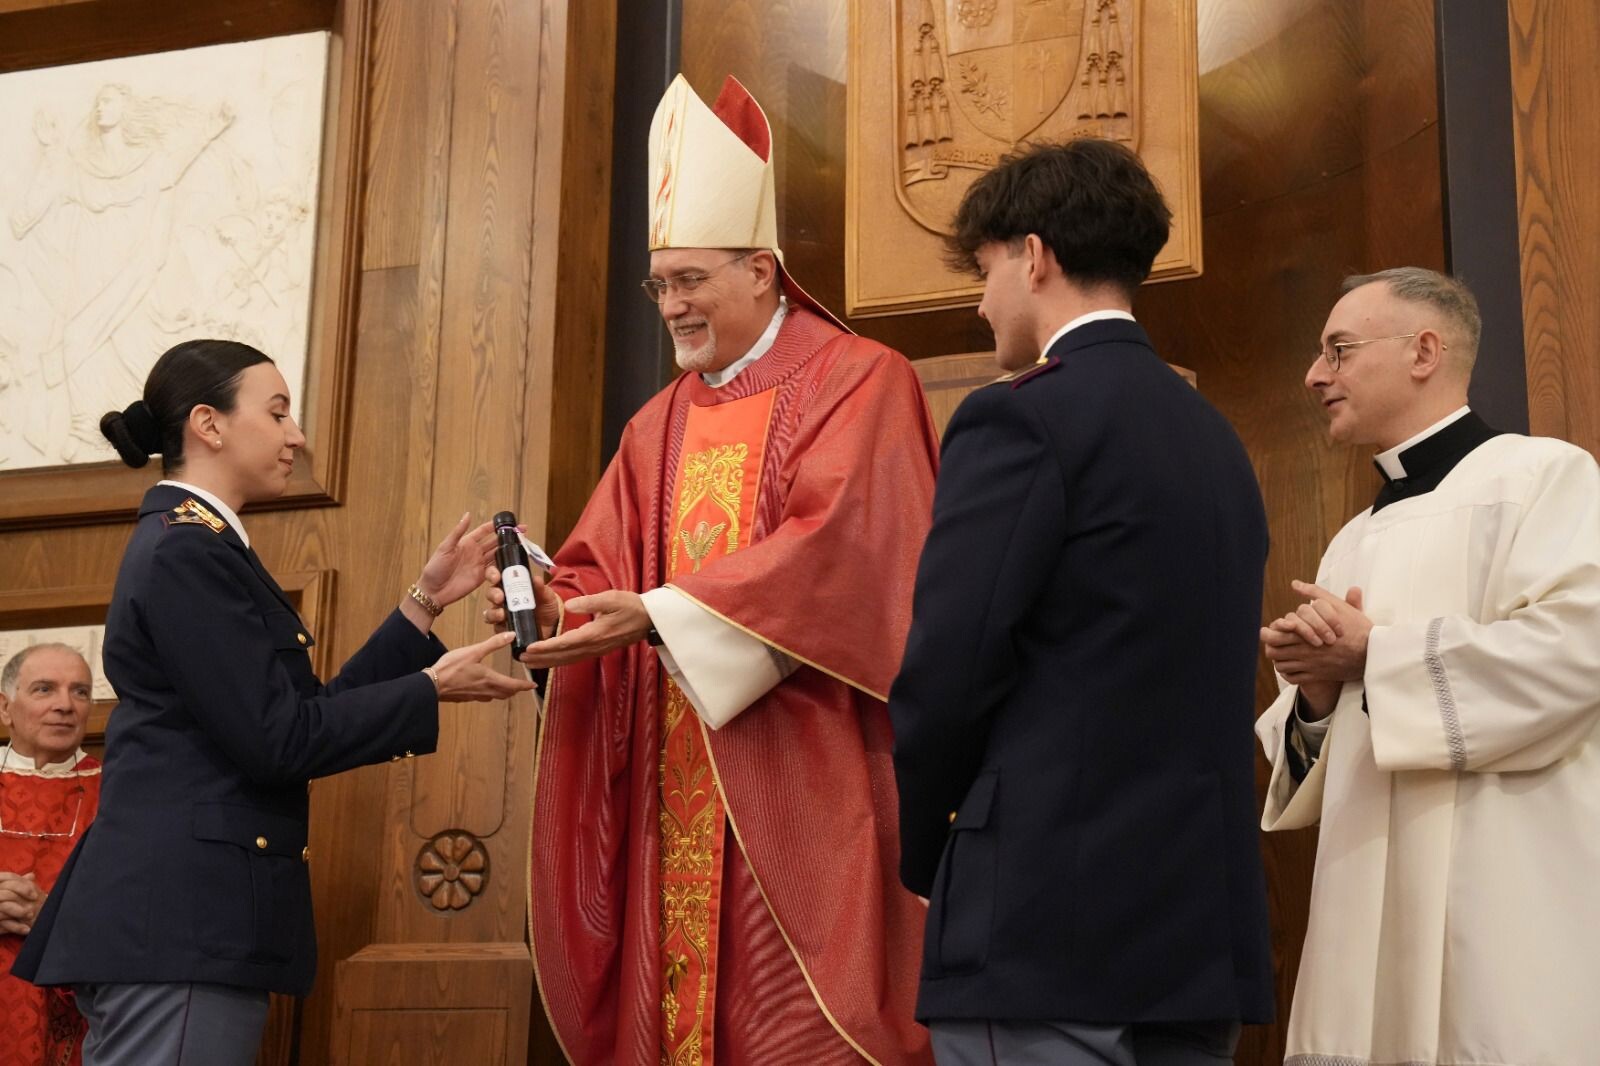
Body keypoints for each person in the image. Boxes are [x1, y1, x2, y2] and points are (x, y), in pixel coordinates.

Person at [486, 75, 939, 1065]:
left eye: (690, 279)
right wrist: (553, 600)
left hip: (807, 783)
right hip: (672, 786)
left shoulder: (861, 379)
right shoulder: (657, 426)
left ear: (764, 271)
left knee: (800, 1027)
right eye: (660, 284)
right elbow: (600, 564)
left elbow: (844, 554)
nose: (671, 306)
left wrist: (655, 614)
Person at [12, 338, 534, 1065]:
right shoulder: (185, 549)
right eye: (280, 412)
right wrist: (429, 687)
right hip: (181, 926)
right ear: (209, 424)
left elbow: (297, 715)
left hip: (186, 925)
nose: (297, 436)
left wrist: (421, 608)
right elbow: (279, 740)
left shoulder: (204, 544)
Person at [888, 139, 1276, 1066]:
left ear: (1035, 255)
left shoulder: (1019, 414)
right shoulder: (1214, 437)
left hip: (1042, 917)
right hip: (1195, 925)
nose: (981, 302)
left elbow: (951, 666)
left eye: (984, 271)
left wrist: (928, 857)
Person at [1257, 267, 1600, 1066]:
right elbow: (1322, 737)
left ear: (1424, 351)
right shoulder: (1354, 537)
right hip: (1365, 897)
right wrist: (1313, 695)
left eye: (1338, 350)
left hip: (1502, 894)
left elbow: (1576, 653)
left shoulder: (1542, 478)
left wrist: (1377, 654)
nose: (1315, 376)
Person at [0, 644, 100, 1066]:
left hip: (72, 1014)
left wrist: (55, 918)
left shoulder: (120, 796)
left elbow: (146, 915)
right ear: (5, 708)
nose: (65, 705)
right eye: (44, 689)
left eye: (79, 692)